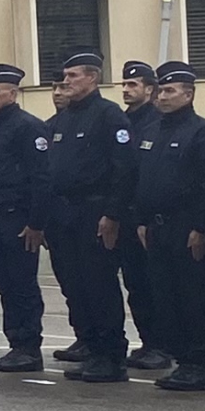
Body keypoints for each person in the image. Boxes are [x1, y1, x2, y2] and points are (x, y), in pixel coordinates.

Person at [39, 50, 135, 383]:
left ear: (92, 78)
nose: (66, 82)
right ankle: (91, 349)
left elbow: (124, 170)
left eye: (73, 76)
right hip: (65, 214)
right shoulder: (63, 119)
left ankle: (111, 355)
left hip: (95, 211)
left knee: (99, 285)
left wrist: (112, 214)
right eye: (65, 77)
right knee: (75, 285)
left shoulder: (109, 116)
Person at [134, 62, 205, 392]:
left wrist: (202, 228)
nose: (163, 97)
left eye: (170, 91)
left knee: (192, 297)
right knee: (165, 297)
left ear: (189, 94)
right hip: (157, 228)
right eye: (160, 91)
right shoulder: (153, 131)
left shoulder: (201, 131)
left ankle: (198, 363)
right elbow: (144, 179)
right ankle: (182, 359)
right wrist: (142, 220)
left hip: (187, 227)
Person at [0, 64, 50, 374]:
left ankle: (28, 347)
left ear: (13, 94)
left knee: (22, 285)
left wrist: (36, 223)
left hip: (18, 219)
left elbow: (41, 178)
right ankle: (15, 342)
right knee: (3, 283)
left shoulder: (28, 127)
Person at [116, 61, 172, 371]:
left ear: (149, 90)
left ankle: (162, 344)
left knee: (155, 285)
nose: (126, 89)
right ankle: (149, 341)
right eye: (124, 84)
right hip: (129, 215)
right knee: (136, 284)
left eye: (133, 85)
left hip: (150, 217)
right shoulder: (124, 121)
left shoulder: (155, 122)